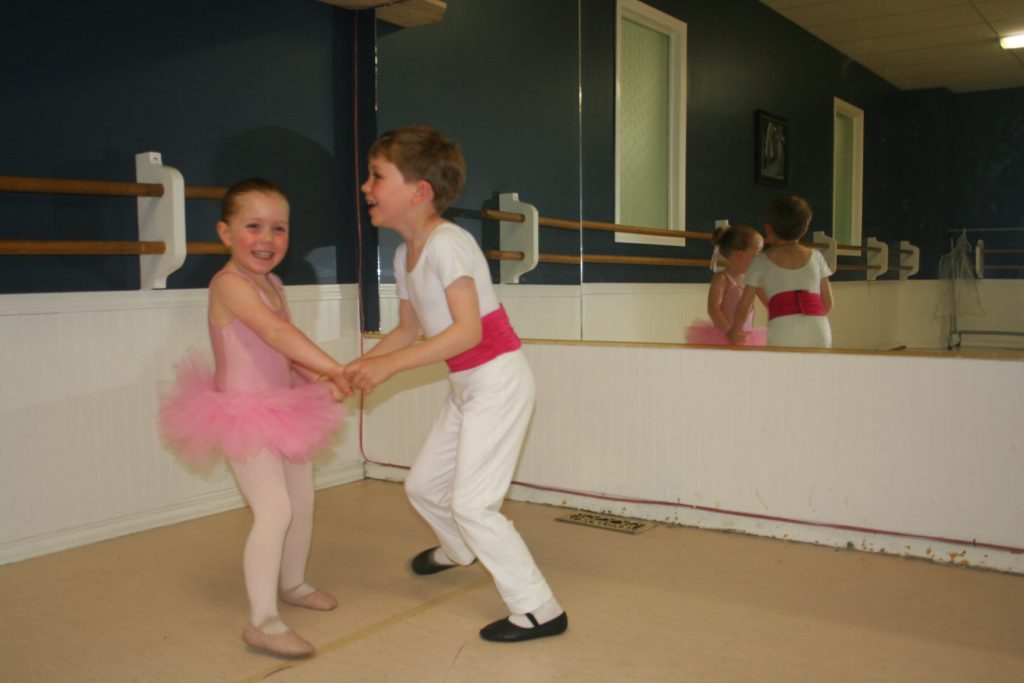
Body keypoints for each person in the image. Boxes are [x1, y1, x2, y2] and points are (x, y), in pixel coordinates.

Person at [344, 125, 568, 643]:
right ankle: (458, 549)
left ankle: (539, 609)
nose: (365, 187)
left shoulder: (449, 243)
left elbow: (467, 330)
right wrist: (353, 368)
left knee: (473, 502)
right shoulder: (404, 255)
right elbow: (405, 330)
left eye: (377, 176)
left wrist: (389, 369)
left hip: (498, 382)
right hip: (468, 386)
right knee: (422, 486)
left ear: (418, 191)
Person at [158, 178, 352, 658]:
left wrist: (321, 379)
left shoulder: (273, 282)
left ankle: (294, 582)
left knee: (302, 500)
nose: (267, 239)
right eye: (253, 227)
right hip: (242, 413)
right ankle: (263, 621)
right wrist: (333, 367)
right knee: (275, 509)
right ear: (225, 233)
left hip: (285, 407)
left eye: (279, 228)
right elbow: (272, 331)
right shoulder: (228, 284)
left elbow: (283, 347)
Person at [728, 195, 833, 348]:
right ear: (804, 229)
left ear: (768, 228)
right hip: (819, 331)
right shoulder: (816, 256)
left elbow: (744, 306)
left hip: (783, 332)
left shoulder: (760, 261)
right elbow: (828, 303)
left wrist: (734, 331)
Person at [685, 224, 767, 345]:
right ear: (740, 255)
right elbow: (714, 309)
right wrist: (729, 332)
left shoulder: (753, 279)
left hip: (746, 337)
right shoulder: (722, 279)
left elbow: (769, 300)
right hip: (725, 336)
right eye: (758, 253)